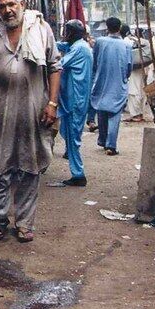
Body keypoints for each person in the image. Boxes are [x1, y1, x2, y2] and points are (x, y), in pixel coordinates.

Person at [0, 0, 61, 242]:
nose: (7, 10)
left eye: (11, 4)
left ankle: (24, 223)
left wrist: (52, 104)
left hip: (34, 111)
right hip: (1, 112)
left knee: (30, 168)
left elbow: (55, 67)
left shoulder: (41, 29)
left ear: (22, 4)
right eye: (2, 7)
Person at [57, 20, 93, 186]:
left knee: (73, 138)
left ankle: (78, 174)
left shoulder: (79, 48)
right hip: (76, 98)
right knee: (70, 135)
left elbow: (59, 64)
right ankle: (77, 172)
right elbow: (63, 46)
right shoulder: (81, 45)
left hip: (74, 99)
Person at [90, 17, 131, 155]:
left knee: (101, 108)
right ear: (119, 28)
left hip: (101, 79)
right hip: (119, 81)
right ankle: (111, 145)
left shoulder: (100, 42)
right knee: (115, 112)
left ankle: (102, 139)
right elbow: (129, 66)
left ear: (107, 27)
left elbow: (94, 61)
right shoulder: (127, 45)